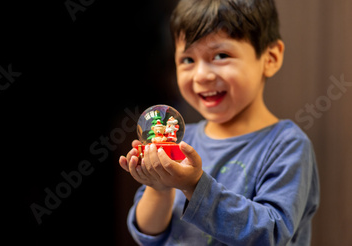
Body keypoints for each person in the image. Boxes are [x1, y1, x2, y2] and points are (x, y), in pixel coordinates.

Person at [118, 0, 320, 245]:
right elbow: (148, 235)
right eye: (188, 60)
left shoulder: (287, 144)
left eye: (221, 55)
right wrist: (159, 188)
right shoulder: (179, 141)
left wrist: (194, 186)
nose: (202, 75)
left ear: (270, 58)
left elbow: (271, 232)